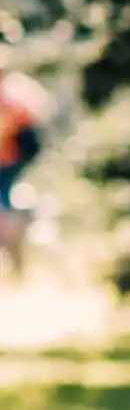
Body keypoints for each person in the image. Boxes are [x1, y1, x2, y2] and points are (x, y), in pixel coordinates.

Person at [0, 70, 47, 280]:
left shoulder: (8, 94)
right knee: (6, 198)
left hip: (9, 157)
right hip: (16, 156)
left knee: (4, 201)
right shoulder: (18, 87)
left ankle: (11, 241)